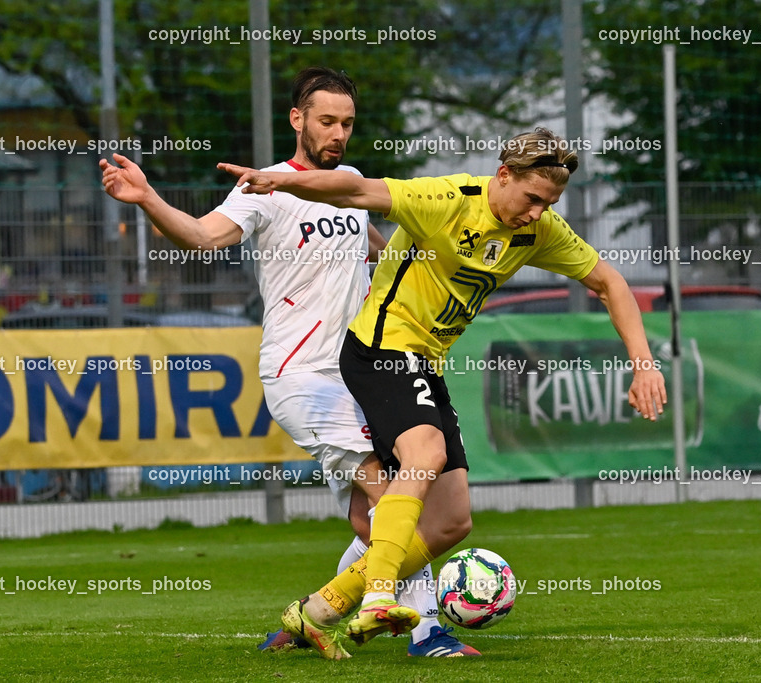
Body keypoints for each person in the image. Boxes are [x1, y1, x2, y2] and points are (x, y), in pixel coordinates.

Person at [220, 126, 668, 657]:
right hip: (379, 350)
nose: (536, 213)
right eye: (531, 199)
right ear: (504, 175)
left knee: (452, 522)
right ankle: (382, 599)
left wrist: (644, 365)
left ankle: (317, 611)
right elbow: (357, 192)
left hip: (423, 363)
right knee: (424, 453)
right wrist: (279, 182)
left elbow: (609, 282)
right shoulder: (448, 200)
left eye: (548, 204)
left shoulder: (538, 229)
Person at [99, 67, 478, 659]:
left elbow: (382, 254)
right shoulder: (264, 188)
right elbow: (202, 237)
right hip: (302, 378)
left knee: (381, 514)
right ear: (297, 119)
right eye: (326, 120)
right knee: (389, 500)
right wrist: (148, 198)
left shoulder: (348, 182)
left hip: (364, 373)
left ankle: (310, 617)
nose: (338, 133)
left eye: (347, 123)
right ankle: (429, 631)